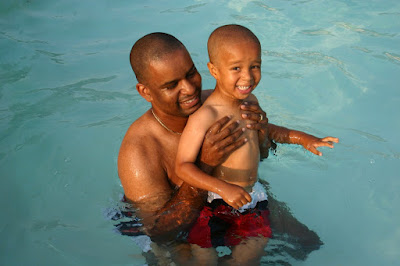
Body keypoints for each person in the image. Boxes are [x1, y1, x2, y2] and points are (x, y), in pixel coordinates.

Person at [118, 31, 338, 265]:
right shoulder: (139, 151)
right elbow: (161, 232)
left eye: (191, 73)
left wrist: (262, 132)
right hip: (177, 225)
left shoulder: (222, 100)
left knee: (306, 244)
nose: (190, 89)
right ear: (146, 92)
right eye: (172, 85)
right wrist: (206, 163)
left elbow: (261, 154)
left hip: (239, 198)